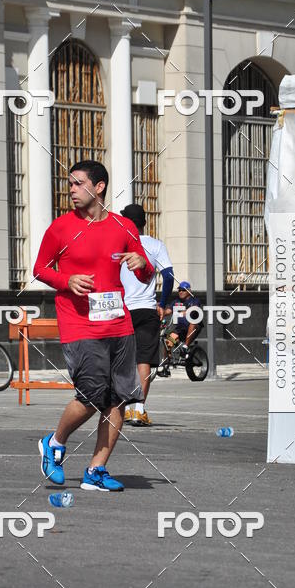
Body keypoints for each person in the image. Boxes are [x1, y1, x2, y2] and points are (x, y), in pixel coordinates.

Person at [33, 160, 154, 492]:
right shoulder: (60, 227)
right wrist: (66, 278)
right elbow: (40, 268)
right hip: (79, 325)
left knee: (117, 400)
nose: (71, 189)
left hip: (119, 325)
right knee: (90, 395)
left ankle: (96, 470)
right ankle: (54, 442)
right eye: (69, 184)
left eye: (77, 183)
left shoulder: (124, 226)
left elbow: (145, 272)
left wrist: (142, 264)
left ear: (99, 187)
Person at [118, 203, 174, 427]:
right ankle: (138, 409)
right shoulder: (155, 245)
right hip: (147, 309)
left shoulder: (119, 244)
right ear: (143, 223)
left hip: (121, 310)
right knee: (144, 359)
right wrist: (163, 303)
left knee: (121, 359)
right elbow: (169, 276)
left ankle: (121, 407)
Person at [164, 281, 200, 357]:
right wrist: (159, 311)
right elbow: (168, 311)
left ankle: (185, 346)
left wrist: (183, 313)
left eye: (183, 290)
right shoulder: (176, 302)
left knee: (193, 322)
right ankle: (166, 363)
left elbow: (194, 309)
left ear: (189, 291)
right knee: (168, 343)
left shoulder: (194, 300)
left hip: (193, 328)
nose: (180, 292)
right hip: (180, 329)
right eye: (179, 290)